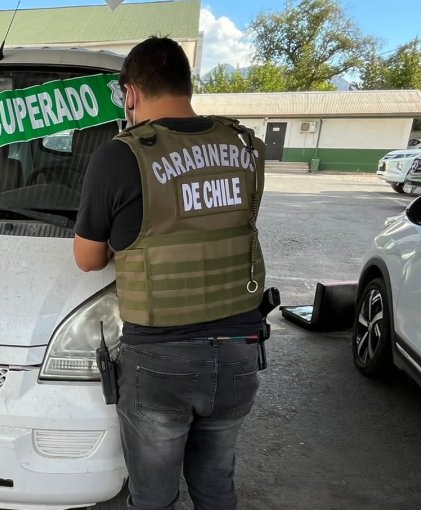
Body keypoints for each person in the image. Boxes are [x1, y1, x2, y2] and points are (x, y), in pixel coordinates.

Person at [73, 36, 267, 510]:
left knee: (154, 498)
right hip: (242, 349)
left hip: (161, 357)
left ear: (132, 93)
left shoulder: (122, 155)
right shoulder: (244, 146)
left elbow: (88, 258)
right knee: (217, 485)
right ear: (186, 84)